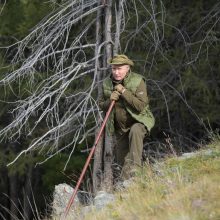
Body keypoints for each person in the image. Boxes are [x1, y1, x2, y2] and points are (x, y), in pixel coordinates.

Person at [99, 54, 155, 180]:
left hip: (139, 121)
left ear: (127, 68)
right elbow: (101, 105)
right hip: (120, 128)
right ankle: (128, 189)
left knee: (135, 131)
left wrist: (124, 92)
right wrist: (110, 100)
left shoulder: (138, 81)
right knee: (122, 161)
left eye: (120, 69)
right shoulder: (107, 83)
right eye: (114, 69)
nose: (116, 72)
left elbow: (141, 105)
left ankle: (136, 172)